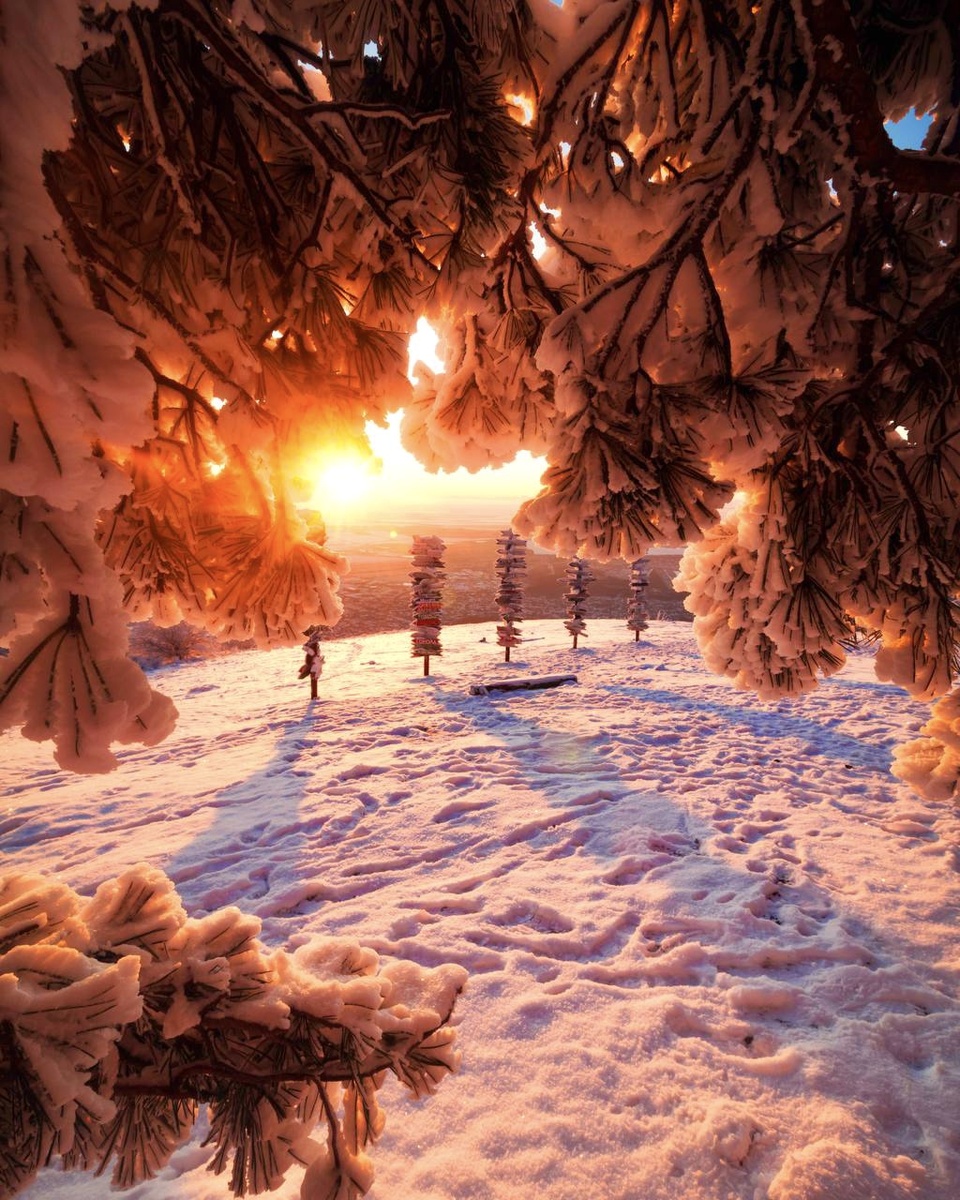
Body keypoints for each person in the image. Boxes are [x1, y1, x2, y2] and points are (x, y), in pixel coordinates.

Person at [298, 626, 324, 699]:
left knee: (314, 680)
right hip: (314, 666)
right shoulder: (313, 646)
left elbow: (312, 655)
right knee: (314, 680)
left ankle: (314, 696)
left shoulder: (314, 646)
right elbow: (311, 655)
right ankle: (314, 696)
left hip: (314, 665)